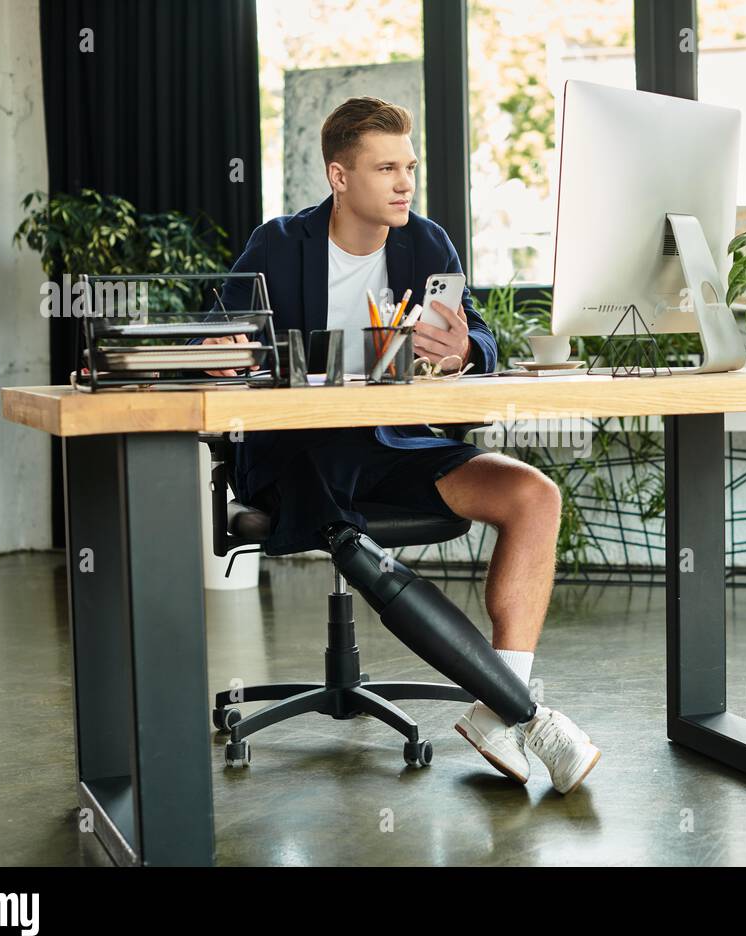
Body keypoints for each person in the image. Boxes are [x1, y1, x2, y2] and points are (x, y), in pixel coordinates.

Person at [199, 96, 599, 794]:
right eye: (385, 167)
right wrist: (234, 352)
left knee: (533, 495)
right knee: (344, 527)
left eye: (408, 166)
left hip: (394, 444)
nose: (404, 182)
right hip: (298, 455)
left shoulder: (426, 243)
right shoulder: (279, 244)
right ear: (339, 176)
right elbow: (216, 340)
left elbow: (481, 338)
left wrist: (463, 352)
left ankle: (498, 712)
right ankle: (530, 718)